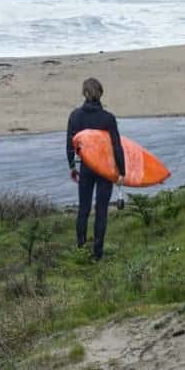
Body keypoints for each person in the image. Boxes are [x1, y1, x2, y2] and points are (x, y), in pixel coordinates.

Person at [66, 77, 125, 260]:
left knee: (83, 209)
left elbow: (71, 145)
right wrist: (121, 172)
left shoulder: (75, 116)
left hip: (86, 167)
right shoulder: (108, 118)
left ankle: (81, 248)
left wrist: (72, 166)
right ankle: (97, 254)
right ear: (101, 93)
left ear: (84, 93)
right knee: (101, 210)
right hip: (104, 169)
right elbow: (116, 146)